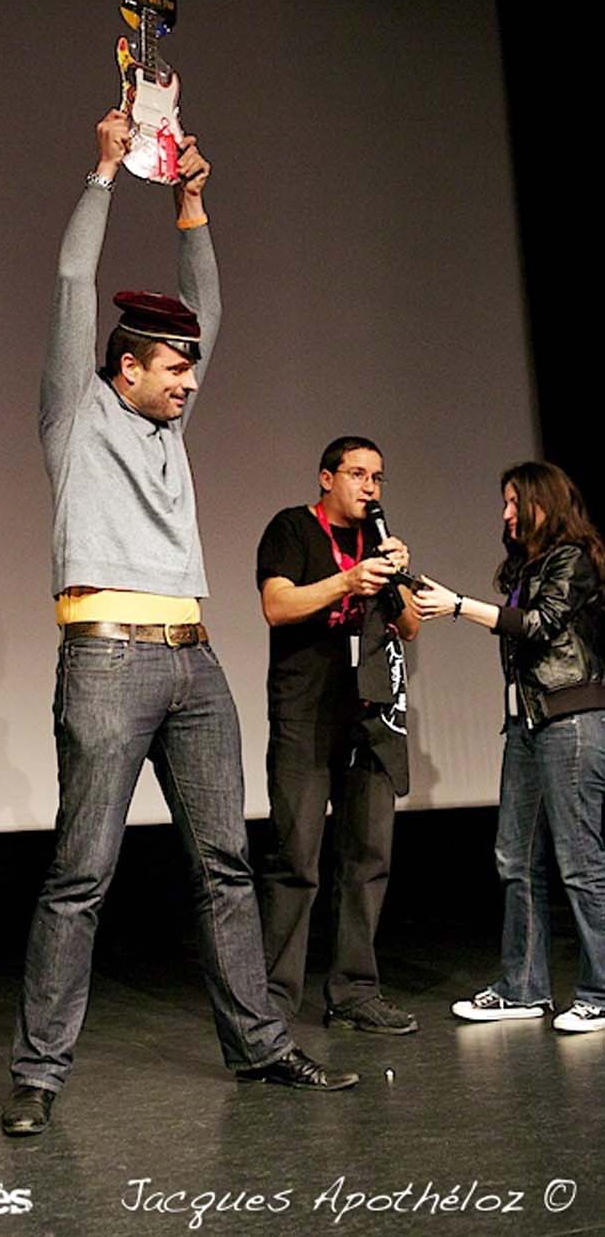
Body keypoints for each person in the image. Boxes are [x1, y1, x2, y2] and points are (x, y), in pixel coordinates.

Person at [1, 113, 359, 1137]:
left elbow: (209, 310)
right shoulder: (76, 415)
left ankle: (260, 1045)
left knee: (225, 866)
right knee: (81, 875)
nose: (190, 382)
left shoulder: (169, 426)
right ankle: (38, 1073)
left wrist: (190, 203)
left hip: (193, 667)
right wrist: (106, 172)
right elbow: (72, 282)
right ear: (126, 370)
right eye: (173, 370)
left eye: (190, 370)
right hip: (107, 662)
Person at [414, 461, 605, 1032]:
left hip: (570, 719)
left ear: (544, 502)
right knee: (514, 858)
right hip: (526, 725)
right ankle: (523, 989)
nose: (506, 514)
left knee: (581, 862)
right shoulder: (529, 565)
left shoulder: (573, 558)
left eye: (515, 502)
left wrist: (459, 606)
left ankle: (600, 991)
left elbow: (542, 625)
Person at [256, 438, 420, 1034]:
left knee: (368, 857)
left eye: (377, 477)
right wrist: (347, 581)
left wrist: (396, 577)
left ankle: (354, 991)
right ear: (327, 478)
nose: (369, 487)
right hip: (307, 710)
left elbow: (410, 626)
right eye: (357, 474)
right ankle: (273, 1000)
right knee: (295, 857)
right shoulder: (292, 528)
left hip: (371, 713)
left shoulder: (379, 540)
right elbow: (277, 606)